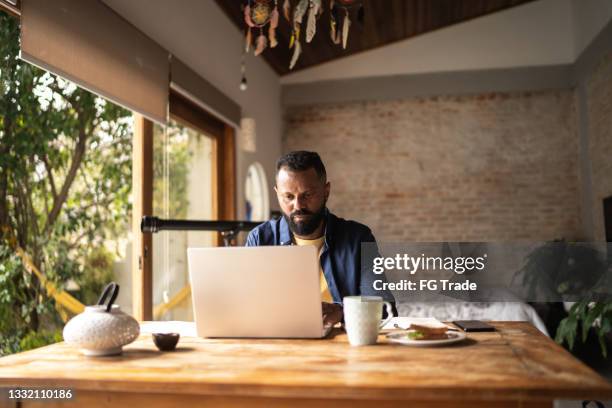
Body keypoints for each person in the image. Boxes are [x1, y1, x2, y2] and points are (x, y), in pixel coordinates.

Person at [246, 151, 395, 328]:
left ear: (326, 191)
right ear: (277, 193)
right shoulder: (260, 238)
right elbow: (247, 307)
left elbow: (385, 309)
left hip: (342, 342)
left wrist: (340, 312)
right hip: (279, 341)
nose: (298, 206)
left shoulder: (358, 238)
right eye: (288, 197)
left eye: (307, 195)